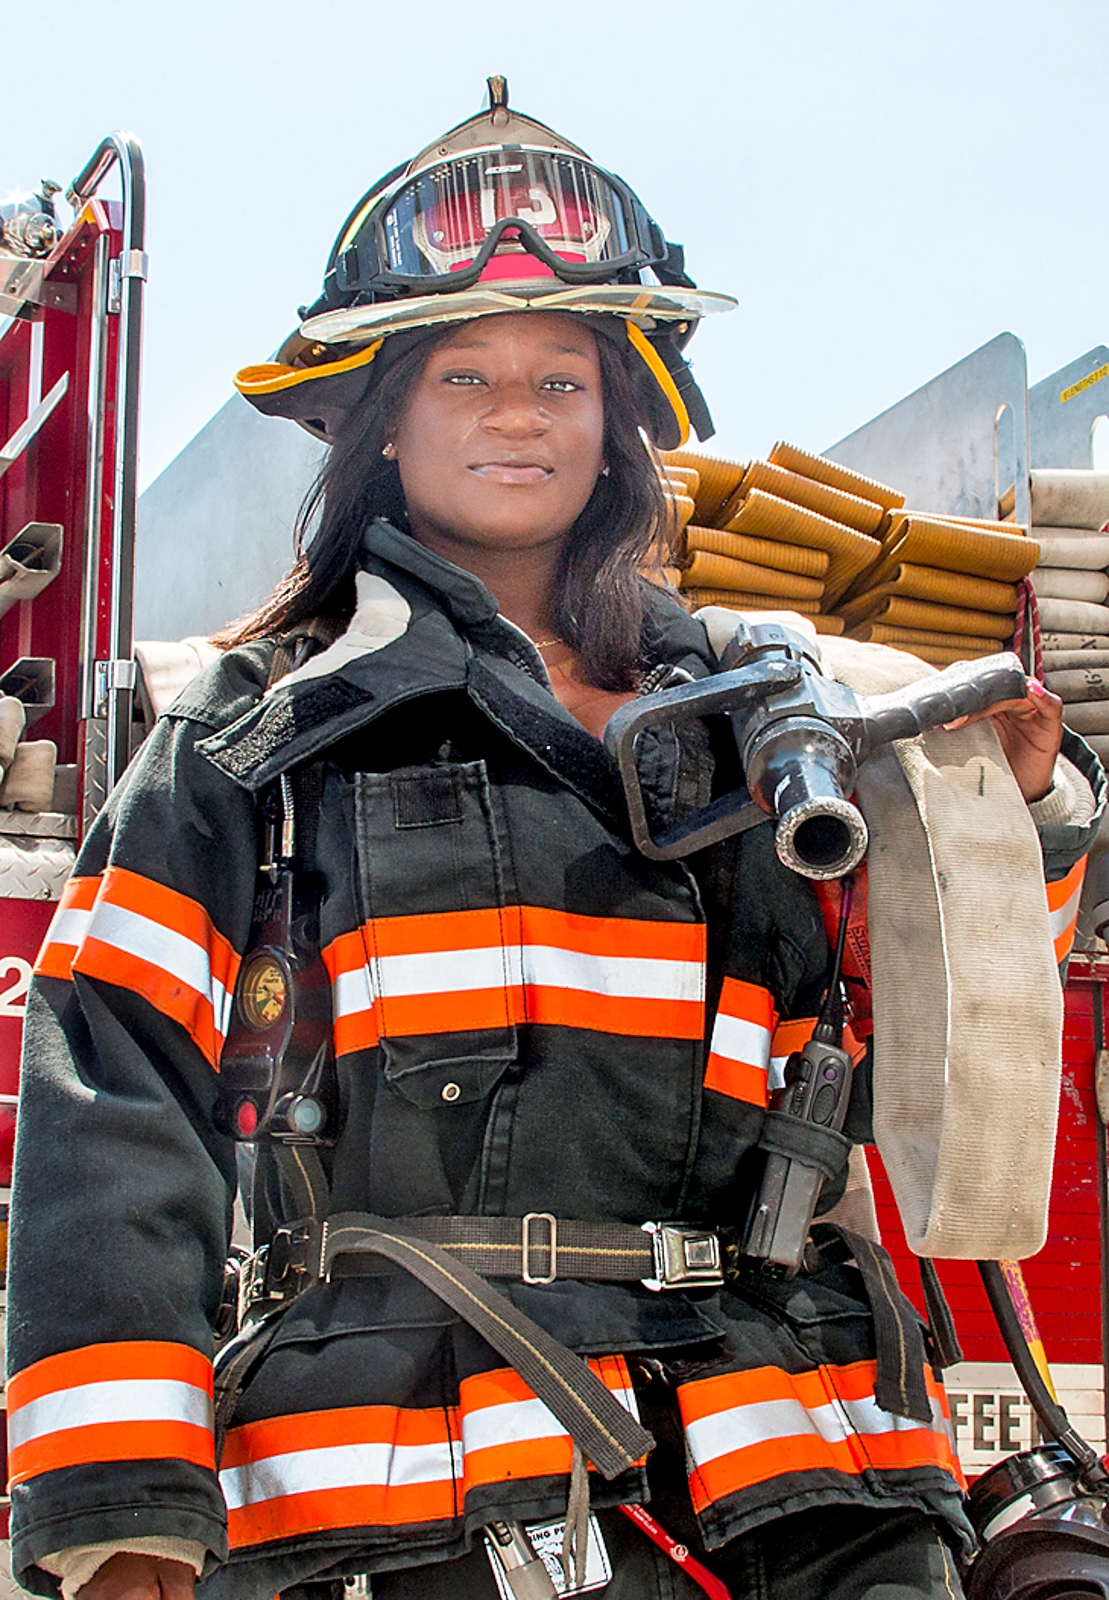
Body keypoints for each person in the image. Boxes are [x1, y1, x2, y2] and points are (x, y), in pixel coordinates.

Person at [6, 82, 1102, 1600]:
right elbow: (117, 1092)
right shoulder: (254, 728)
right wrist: (123, 1519)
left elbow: (948, 1023)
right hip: (403, 1499)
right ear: (380, 426)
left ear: (619, 421)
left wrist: (1015, 814)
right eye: (462, 376)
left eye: (560, 380)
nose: (515, 416)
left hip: (809, 1486)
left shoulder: (775, 707)